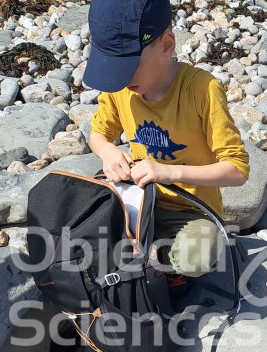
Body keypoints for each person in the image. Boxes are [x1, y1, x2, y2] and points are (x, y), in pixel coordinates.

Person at [84, 0, 250, 295]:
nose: (121, 78)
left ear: (167, 45)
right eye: (113, 67)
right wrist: (108, 152)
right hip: (137, 203)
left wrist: (167, 172)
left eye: (128, 65)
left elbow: (237, 170)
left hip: (189, 211)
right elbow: (98, 134)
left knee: (199, 254)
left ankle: (159, 267)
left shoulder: (201, 89)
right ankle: (134, 262)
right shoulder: (121, 88)